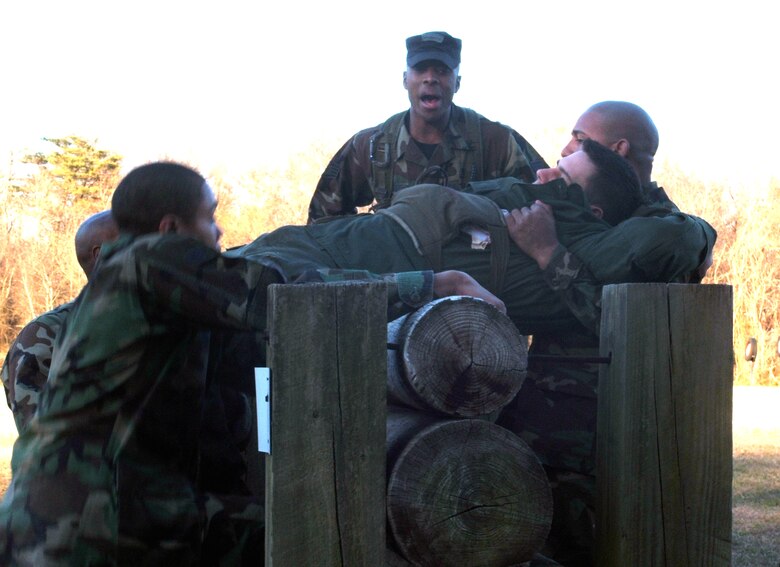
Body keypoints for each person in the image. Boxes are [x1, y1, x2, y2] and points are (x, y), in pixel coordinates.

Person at [0, 161, 498, 566]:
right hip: (93, 526)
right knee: (315, 537)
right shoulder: (150, 261)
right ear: (170, 228)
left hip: (77, 521)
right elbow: (282, 293)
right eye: (209, 216)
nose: (220, 231)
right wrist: (430, 284)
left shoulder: (131, 301)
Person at [498, 101, 702, 566]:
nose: (565, 148)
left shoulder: (658, 233)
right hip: (535, 427)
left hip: (598, 442)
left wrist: (549, 254)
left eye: (578, 138)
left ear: (618, 148)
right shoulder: (569, 201)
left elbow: (627, 327)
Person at [236, 140, 715, 337]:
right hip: (337, 240)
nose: (544, 170)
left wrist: (548, 251)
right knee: (217, 273)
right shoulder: (550, 213)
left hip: (350, 263)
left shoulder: (576, 237)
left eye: (562, 172)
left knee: (230, 285)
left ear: (591, 209)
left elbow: (679, 236)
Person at [306, 31, 548, 223]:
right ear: (404, 79)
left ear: (457, 83)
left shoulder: (496, 141)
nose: (430, 78)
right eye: (420, 69)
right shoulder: (370, 145)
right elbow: (323, 218)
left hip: (477, 277)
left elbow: (544, 201)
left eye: (442, 71)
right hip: (396, 276)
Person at [0, 210, 118, 434]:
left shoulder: (174, 323)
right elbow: (47, 449)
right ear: (102, 256)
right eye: (139, 242)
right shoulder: (45, 337)